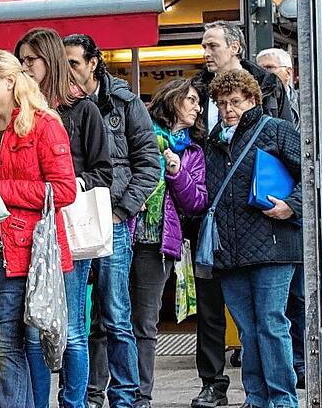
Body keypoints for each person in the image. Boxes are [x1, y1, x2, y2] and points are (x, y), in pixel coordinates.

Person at [190, 21, 295, 408]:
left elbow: (312, 176)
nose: (229, 109)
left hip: (271, 244)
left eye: (236, 101)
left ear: (252, 99)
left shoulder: (277, 130)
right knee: (250, 330)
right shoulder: (214, 144)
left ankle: (282, 400)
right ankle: (255, 397)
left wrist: (292, 205)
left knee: (271, 325)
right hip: (231, 251)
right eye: (222, 103)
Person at [0, 48, 77, 408]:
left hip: (22, 251)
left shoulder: (44, 124)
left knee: (7, 342)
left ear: (10, 80)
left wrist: (1, 189)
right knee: (2, 344)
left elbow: (64, 190)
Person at [14, 27, 112, 408]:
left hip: (70, 229)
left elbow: (104, 171)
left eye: (30, 61)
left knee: (71, 329)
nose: (24, 68)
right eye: (20, 60)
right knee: (34, 327)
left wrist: (67, 183)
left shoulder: (81, 108)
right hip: (29, 231)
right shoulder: (20, 113)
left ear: (49, 61)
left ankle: (74, 402)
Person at [62, 33, 160, 408]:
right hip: (71, 219)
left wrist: (123, 210)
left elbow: (149, 163)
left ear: (92, 62)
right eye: (64, 62)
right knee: (76, 321)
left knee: (117, 315)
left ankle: (126, 397)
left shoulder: (123, 101)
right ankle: (84, 395)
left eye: (74, 62)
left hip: (113, 219)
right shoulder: (62, 105)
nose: (69, 70)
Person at [129, 78, 209, 408]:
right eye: (190, 99)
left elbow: (196, 202)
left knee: (145, 322)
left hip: (159, 244)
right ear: (172, 99)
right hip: (124, 234)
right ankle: (96, 394)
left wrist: (176, 173)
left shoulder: (192, 150)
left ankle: (140, 396)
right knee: (106, 320)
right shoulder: (141, 133)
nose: (196, 107)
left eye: (198, 102)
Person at [256, 47, 305, 388]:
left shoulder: (307, 107)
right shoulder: (255, 113)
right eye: (262, 69)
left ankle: (301, 362)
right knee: (275, 307)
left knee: (302, 297)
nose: (267, 75)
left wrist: (295, 205)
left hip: (298, 221)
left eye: (272, 68)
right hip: (264, 220)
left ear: (289, 73)